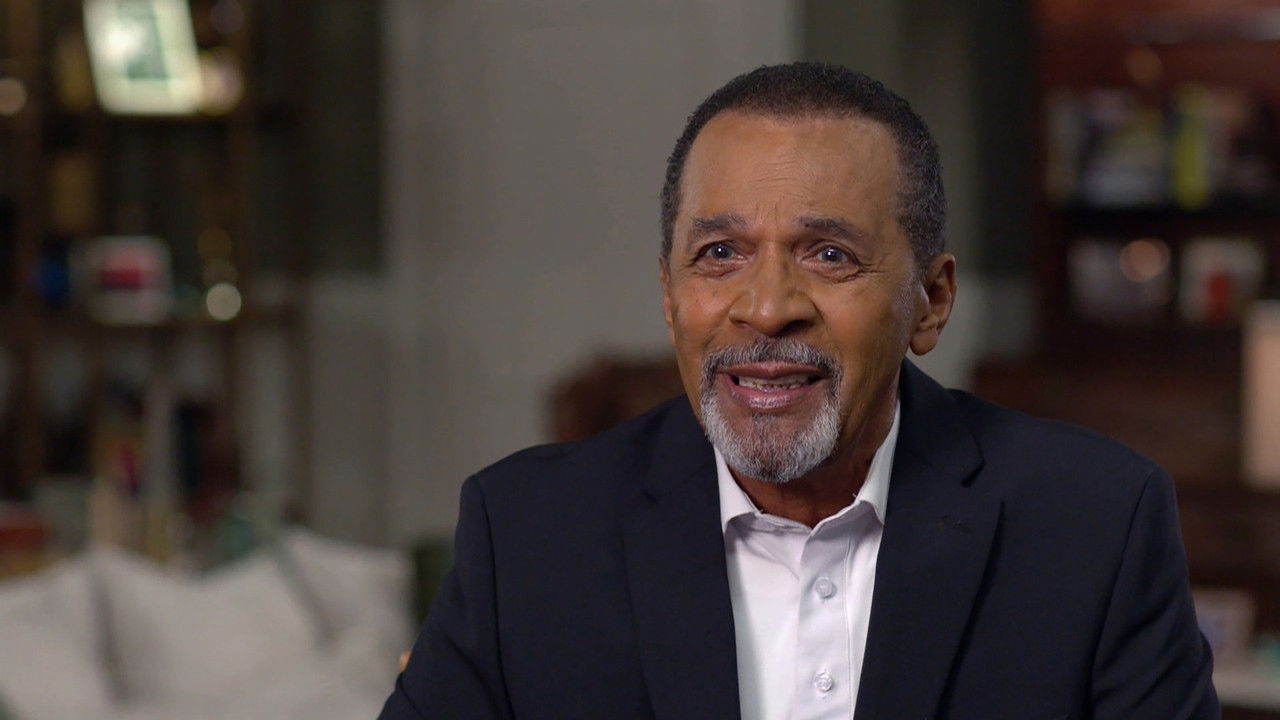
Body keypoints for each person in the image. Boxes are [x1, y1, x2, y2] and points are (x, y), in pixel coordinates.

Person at [379, 62, 1218, 720]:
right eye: (719, 254)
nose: (768, 307)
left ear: (930, 302)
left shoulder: (1096, 524)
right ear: (670, 297)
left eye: (828, 255)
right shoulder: (527, 533)